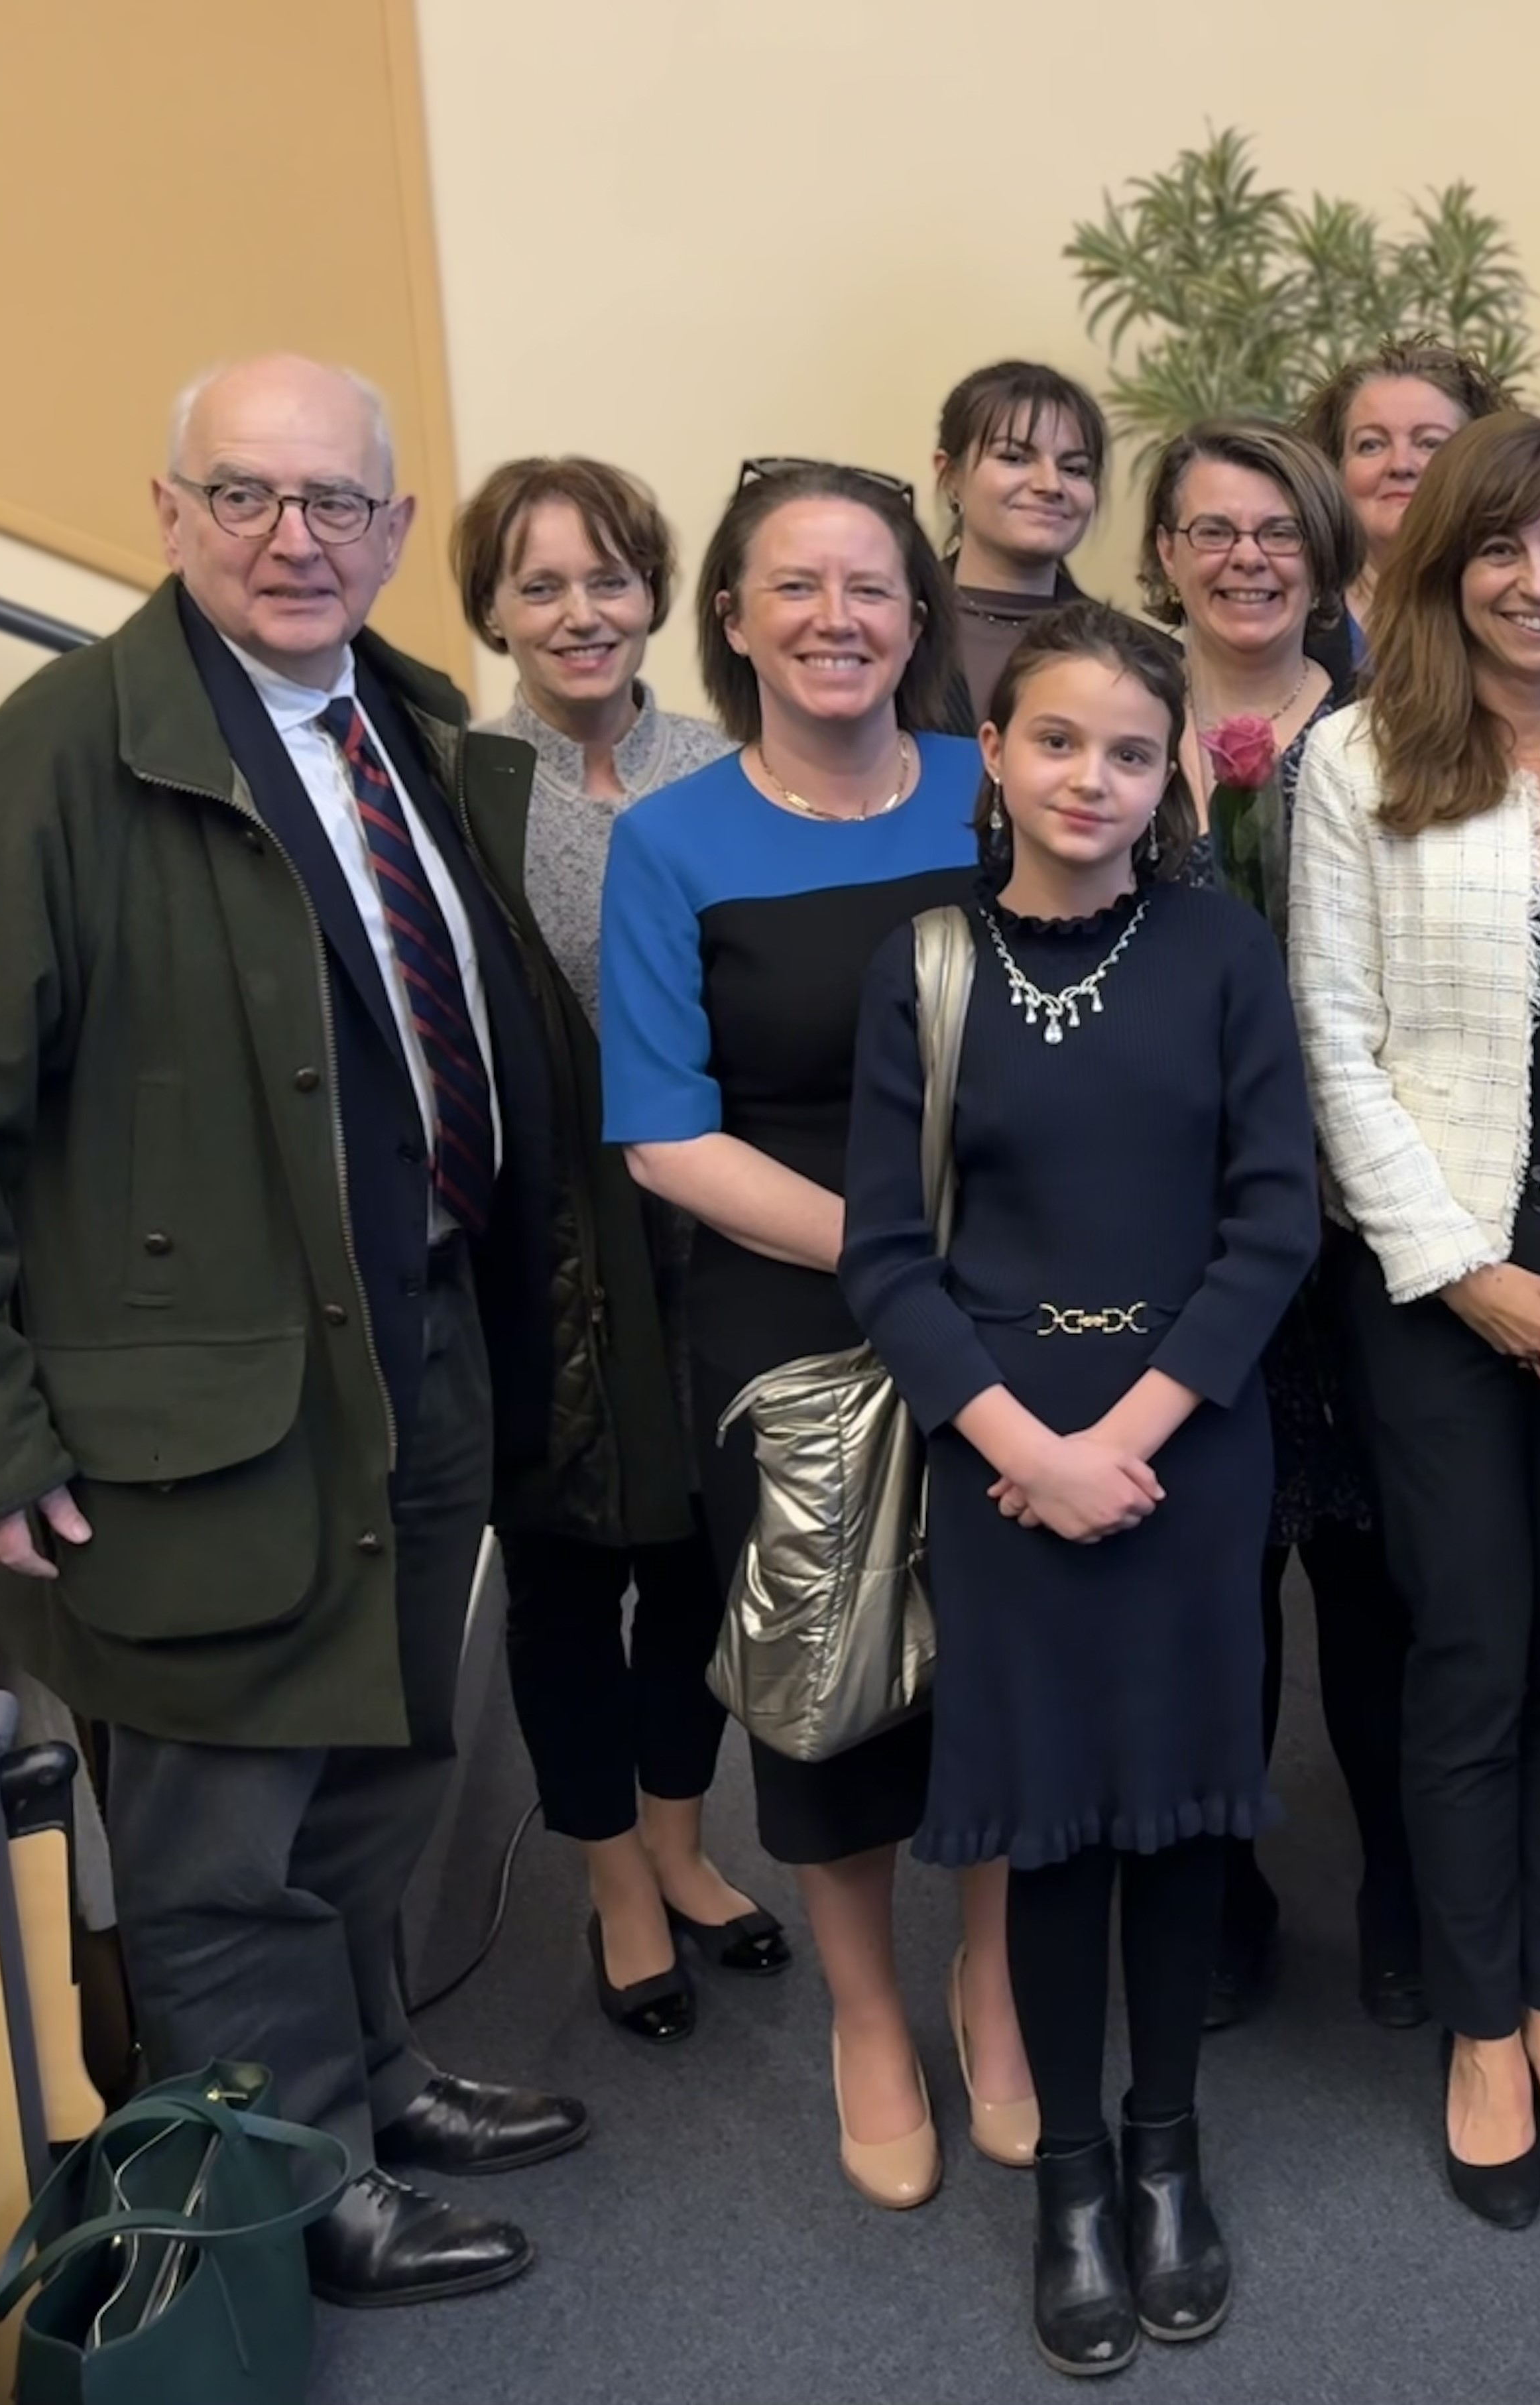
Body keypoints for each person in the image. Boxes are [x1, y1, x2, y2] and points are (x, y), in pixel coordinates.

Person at [0, 355, 594, 2306]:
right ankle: (293, 2195)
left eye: (335, 502)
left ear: (392, 527)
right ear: (169, 511)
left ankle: (366, 2083)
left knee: (381, 1755)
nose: (294, 537)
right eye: (245, 494)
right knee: (226, 1832)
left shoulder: (403, 721)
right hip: (195, 1411)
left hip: (415, 1343)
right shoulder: (61, 759)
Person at [842, 601, 1318, 2374]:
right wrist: (1023, 1446)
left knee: (1183, 1811)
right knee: (1049, 1824)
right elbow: (886, 1255)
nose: (1090, 779)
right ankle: (1068, 2176)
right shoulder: (923, 964)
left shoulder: (1220, 950)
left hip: (1187, 1442)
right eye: (1055, 741)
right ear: (992, 752)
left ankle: (1167, 2151)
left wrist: (1129, 1433)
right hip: (1002, 1458)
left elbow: (1273, 1220)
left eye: (1129, 751)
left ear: (1169, 771)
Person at [1288, 412, 1540, 2227]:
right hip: (1433, 1280)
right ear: (1442, 571)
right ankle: (1477, 2026)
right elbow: (1332, 1043)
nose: (1539, 582)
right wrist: (1465, 1273)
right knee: (1469, 1649)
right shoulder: (1352, 760)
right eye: (1500, 549)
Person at [601, 459, 1022, 2208]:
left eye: (869, 586)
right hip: (792, 1310)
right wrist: (892, 1252)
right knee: (824, 1681)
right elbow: (663, 1132)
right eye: (796, 585)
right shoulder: (669, 841)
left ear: (918, 618)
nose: (835, 617)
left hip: (1016, 1292)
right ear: (732, 617)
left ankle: (988, 1977)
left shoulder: (996, 787)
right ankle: (865, 2011)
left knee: (1005, 1653)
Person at [451, 455, 786, 2047]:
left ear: (658, 592)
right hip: (540, 1239)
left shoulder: (725, 764)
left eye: (607, 578)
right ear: (492, 609)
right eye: (540, 584)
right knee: (567, 1572)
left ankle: (680, 1838)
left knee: (705, 1562)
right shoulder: (459, 787)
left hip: (709, 1219)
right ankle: (611, 1878)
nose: (579, 612)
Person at [1134, 416, 1425, 2029]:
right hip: (1175, 1242)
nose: (1246, 559)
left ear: (1325, 554)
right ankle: (1224, 1888)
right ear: (1162, 554)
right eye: (1211, 530)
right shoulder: (1108, 725)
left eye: (1277, 531)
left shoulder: (1398, 731)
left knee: (1380, 1588)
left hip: (1363, 1228)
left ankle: (1401, 1886)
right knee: (1214, 1591)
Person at [1293, 339, 1512, 676]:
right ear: (1333, 467)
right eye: (1371, 445)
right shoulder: (1289, 626)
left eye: (1430, 443)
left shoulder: (1518, 614)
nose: (1401, 465)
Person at [929, 360, 1110, 721]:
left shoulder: (1133, 655)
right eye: (1014, 458)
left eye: (1074, 469)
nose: (1051, 485)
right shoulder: (890, 626)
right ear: (950, 476)